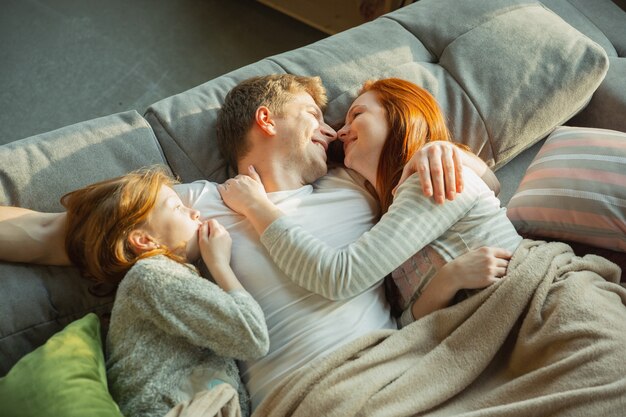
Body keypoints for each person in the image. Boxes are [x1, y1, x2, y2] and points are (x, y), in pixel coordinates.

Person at [0, 74, 499, 410]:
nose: (332, 130)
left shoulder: (354, 185)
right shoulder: (195, 205)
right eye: (312, 114)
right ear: (267, 119)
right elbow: (46, 233)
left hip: (405, 371)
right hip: (304, 399)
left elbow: (481, 189)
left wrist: (444, 152)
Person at [218, 78, 522, 327]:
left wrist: (256, 206)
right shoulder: (384, 223)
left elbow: (339, 278)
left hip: (527, 300)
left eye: (358, 115)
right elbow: (405, 327)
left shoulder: (433, 178)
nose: (338, 131)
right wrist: (448, 281)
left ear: (401, 115)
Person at [56, 166, 269, 417]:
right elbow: (252, 337)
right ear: (145, 241)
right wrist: (219, 264)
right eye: (178, 208)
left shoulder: (161, 278)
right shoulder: (152, 277)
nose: (195, 212)